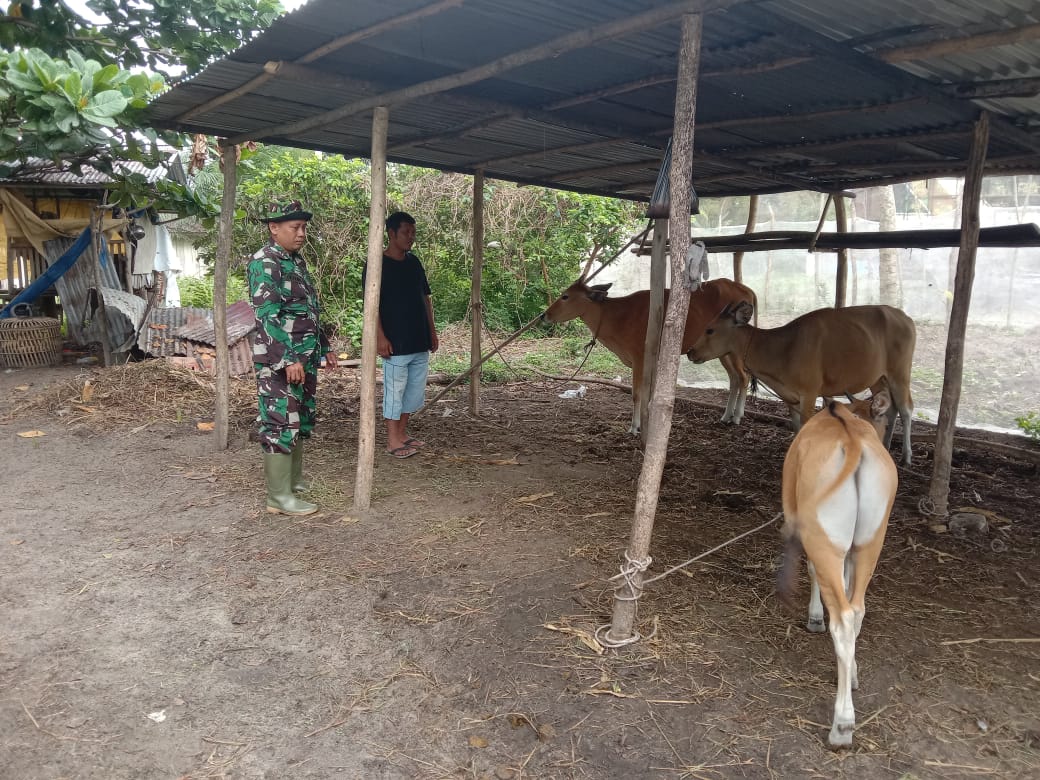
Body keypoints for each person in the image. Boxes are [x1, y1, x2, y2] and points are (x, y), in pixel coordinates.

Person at [248, 198, 338, 515]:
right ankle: (278, 497)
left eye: (303, 228)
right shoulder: (265, 262)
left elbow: (307, 310)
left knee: (300, 418)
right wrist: (288, 359)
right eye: (294, 227)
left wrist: (324, 347)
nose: (301, 234)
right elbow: (267, 317)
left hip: (304, 356)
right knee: (280, 420)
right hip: (280, 361)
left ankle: (293, 483)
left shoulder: (294, 261)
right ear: (274, 228)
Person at [365, 211, 439, 458]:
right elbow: (370, 305)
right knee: (394, 391)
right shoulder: (376, 264)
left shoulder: (414, 262)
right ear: (391, 233)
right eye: (406, 232)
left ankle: (403, 433)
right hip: (395, 341)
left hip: (419, 339)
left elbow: (426, 299)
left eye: (413, 233)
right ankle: (392, 440)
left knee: (414, 391)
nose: (411, 237)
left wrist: (432, 331)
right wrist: (379, 337)